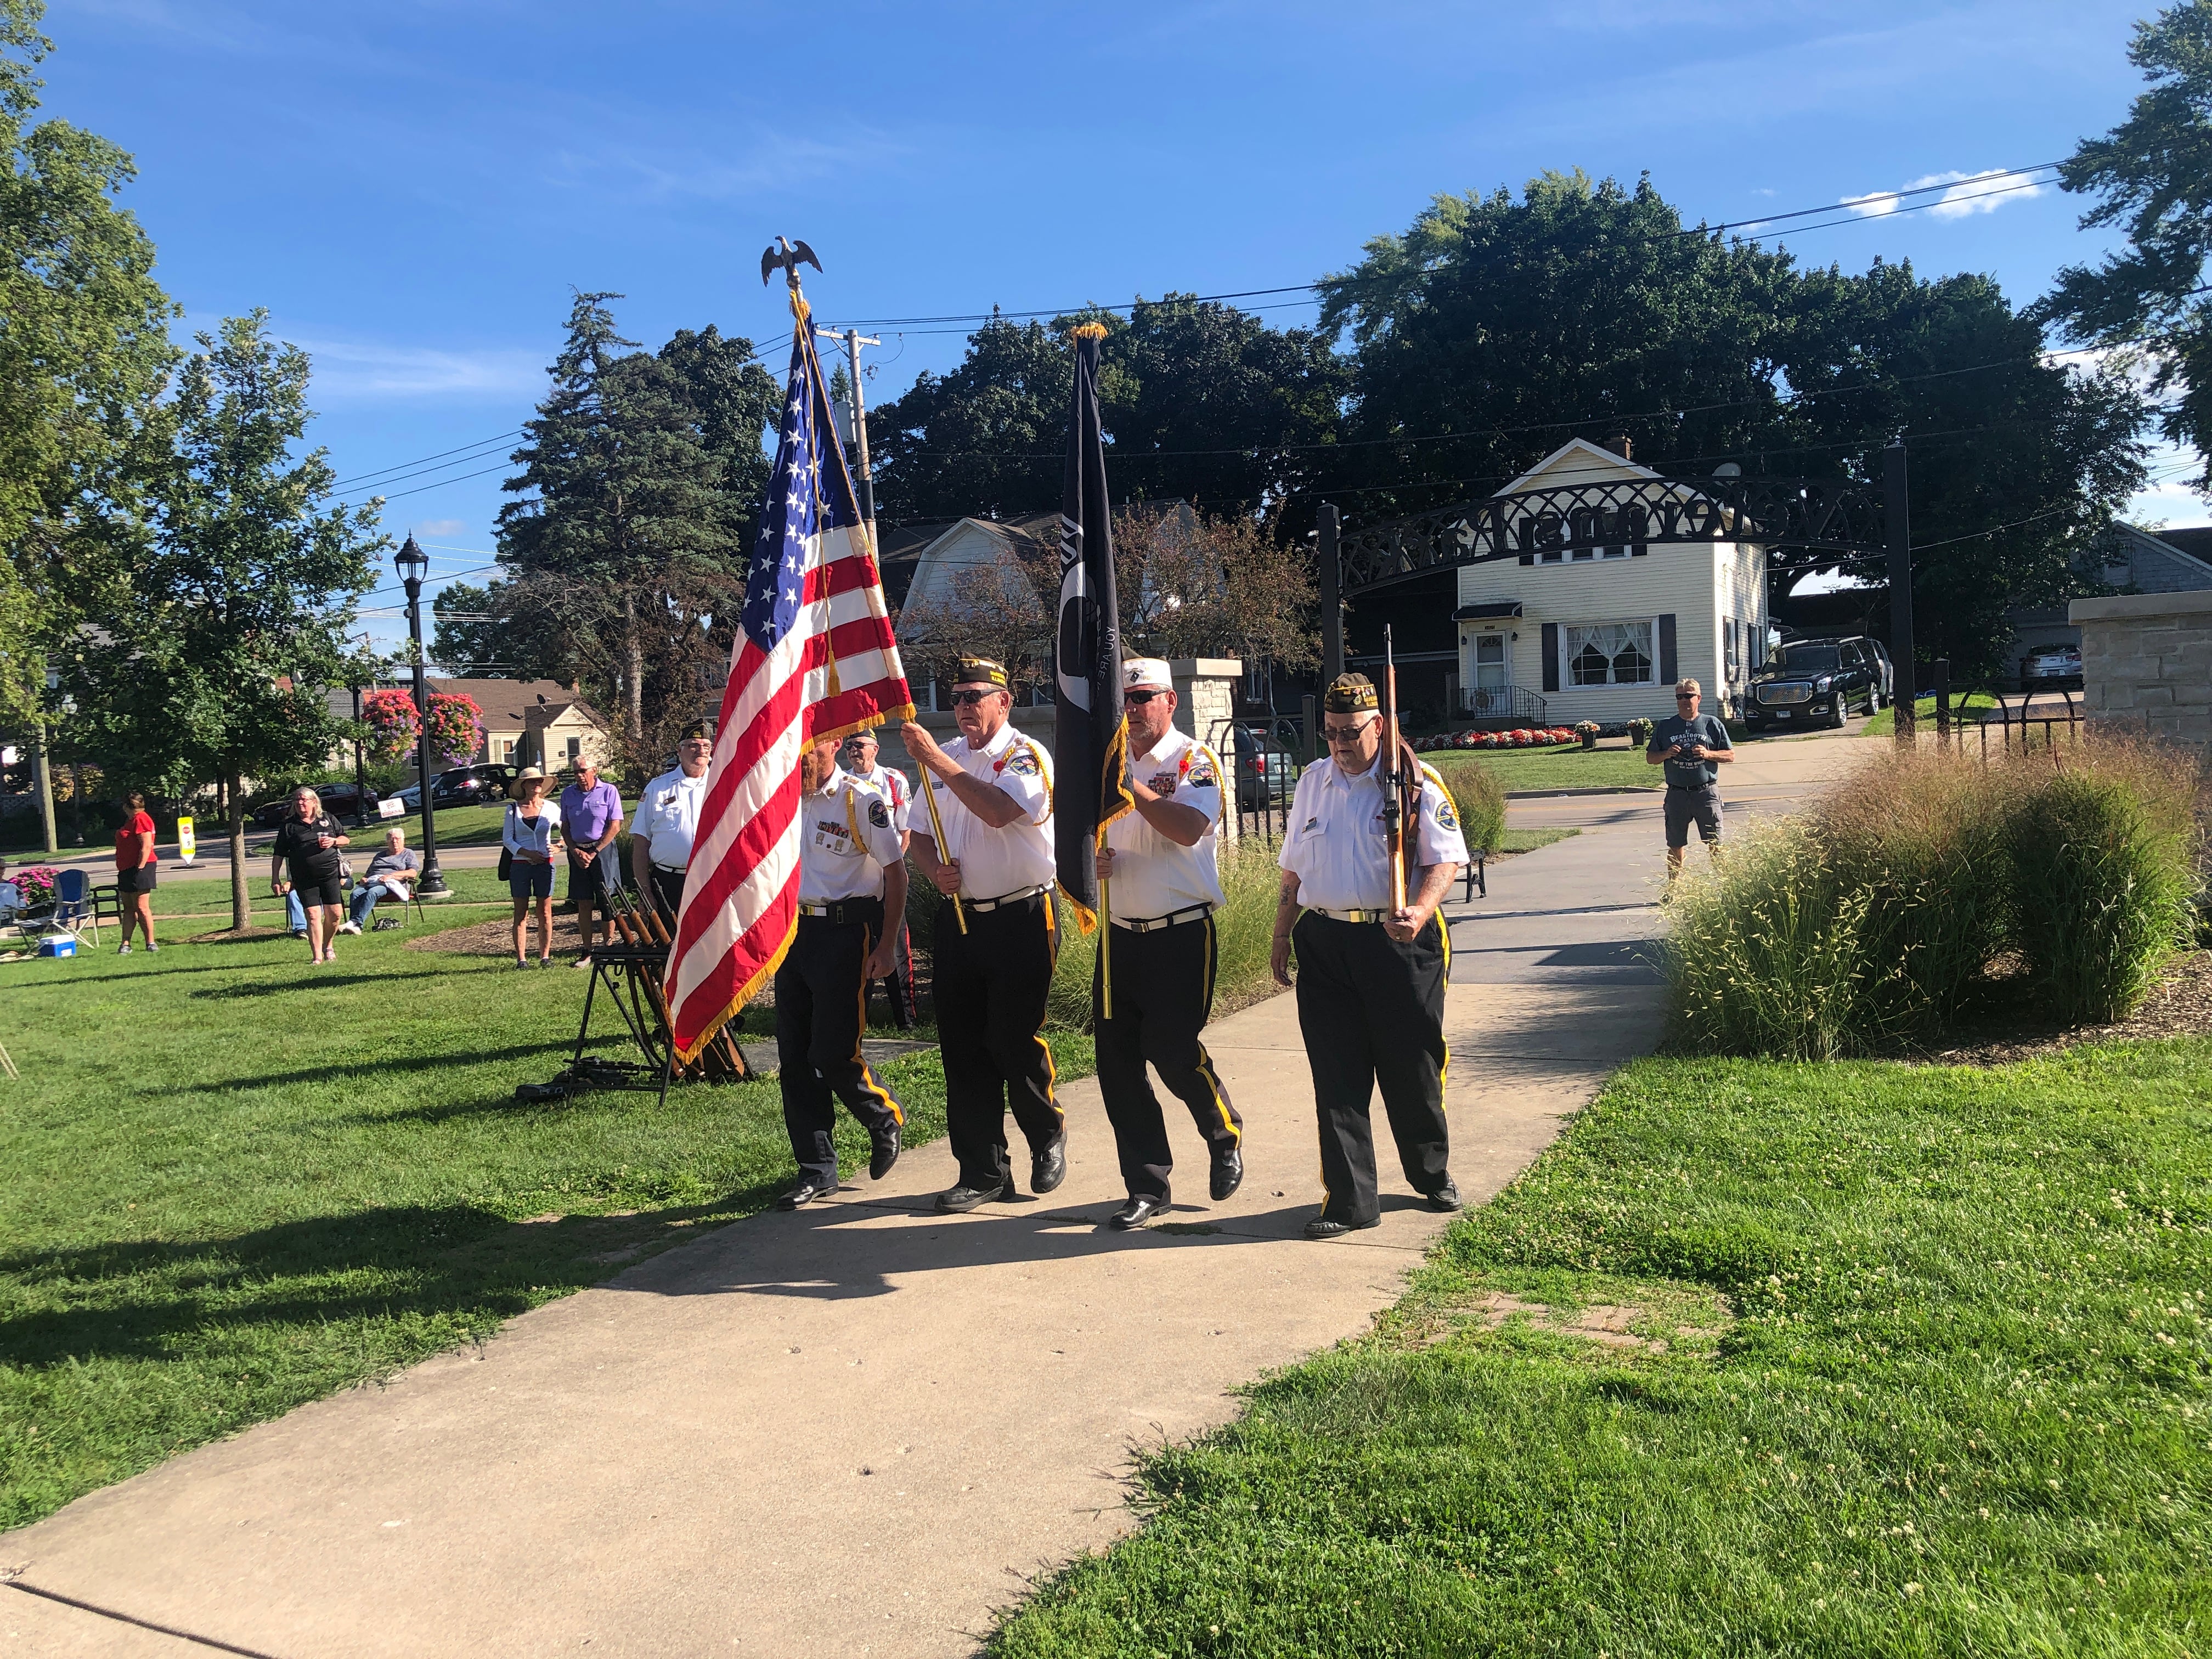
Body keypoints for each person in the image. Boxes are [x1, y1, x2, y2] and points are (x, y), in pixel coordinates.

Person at [1271, 673, 1468, 1241]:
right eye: (1330, 733)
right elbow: (1293, 868)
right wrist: (1283, 935)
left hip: (1398, 942)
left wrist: (1423, 910)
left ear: (1378, 726)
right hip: (1327, 941)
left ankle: (1430, 1173)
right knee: (1337, 1076)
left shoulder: (1414, 782)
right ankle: (1351, 1201)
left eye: (1351, 733)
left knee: (1412, 1068)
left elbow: (1445, 859)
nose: (1339, 745)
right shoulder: (1312, 782)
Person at [902, 656, 1065, 1213]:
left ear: (1004, 700)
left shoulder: (1024, 755)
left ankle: (1047, 1138)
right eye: (956, 698)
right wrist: (932, 869)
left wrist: (938, 761)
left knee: (1013, 1039)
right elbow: (918, 833)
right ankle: (982, 1171)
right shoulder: (945, 762)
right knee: (964, 1050)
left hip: (1023, 915)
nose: (964, 707)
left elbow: (998, 812)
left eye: (975, 695)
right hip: (963, 919)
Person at [1091, 659, 1243, 1231]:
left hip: (1181, 931)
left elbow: (1187, 829)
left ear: (1171, 701)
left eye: (1144, 698)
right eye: (1126, 700)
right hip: (1121, 934)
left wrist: (1127, 788)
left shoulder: (1192, 760)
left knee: (1171, 1047)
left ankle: (1222, 1128)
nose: (1133, 709)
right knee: (1118, 1064)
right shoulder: (1108, 761)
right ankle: (1147, 1187)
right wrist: (1096, 861)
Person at [774, 731, 911, 1210]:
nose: (803, 757)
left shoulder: (861, 800)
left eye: (811, 746)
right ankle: (816, 1169)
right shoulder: (783, 798)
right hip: (792, 936)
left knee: (833, 1050)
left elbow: (897, 873)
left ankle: (883, 1115)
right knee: (794, 1058)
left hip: (845, 933)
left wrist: (888, 943)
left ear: (833, 743)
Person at [840, 727, 916, 1028]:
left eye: (859, 745)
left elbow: (906, 830)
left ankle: (906, 1020)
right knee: (861, 942)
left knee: (895, 941)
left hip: (887, 875)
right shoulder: (842, 784)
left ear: (875, 749)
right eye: (849, 747)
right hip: (856, 878)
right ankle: (862, 1015)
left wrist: (893, 868)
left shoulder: (894, 781)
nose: (853, 752)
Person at [1646, 676, 1733, 878]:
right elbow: (1651, 758)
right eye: (1680, 697)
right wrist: (1666, 754)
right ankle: (1675, 888)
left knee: (1715, 842)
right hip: (1677, 795)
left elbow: (1730, 755)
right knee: (1676, 844)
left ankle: (1727, 887)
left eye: (1689, 696)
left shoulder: (1711, 724)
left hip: (1706, 792)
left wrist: (1708, 754)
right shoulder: (1666, 727)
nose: (1684, 700)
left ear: (1699, 698)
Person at [631, 723, 715, 921]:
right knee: (668, 946)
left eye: (706, 746)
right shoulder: (657, 788)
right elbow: (641, 843)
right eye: (693, 745)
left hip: (711, 881)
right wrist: (645, 891)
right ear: (679, 750)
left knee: (710, 949)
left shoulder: (722, 786)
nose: (700, 751)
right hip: (668, 882)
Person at [270, 785, 350, 964]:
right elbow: (279, 854)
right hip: (304, 878)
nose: (300, 803)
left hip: (330, 875)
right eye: (297, 800)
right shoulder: (289, 825)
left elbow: (346, 838)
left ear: (314, 803)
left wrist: (334, 841)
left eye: (303, 800)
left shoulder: (327, 819)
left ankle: (328, 945)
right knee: (313, 915)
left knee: (335, 914)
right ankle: (317, 958)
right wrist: (275, 878)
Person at [557, 757, 624, 967]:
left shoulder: (609, 791)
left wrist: (595, 851)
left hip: (602, 851)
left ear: (594, 770)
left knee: (607, 901)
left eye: (583, 771)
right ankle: (587, 951)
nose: (579, 775)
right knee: (583, 902)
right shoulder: (568, 794)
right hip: (578, 852)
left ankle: (608, 947)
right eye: (576, 772)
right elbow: (565, 827)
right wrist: (575, 850)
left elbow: (615, 826)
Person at [503, 766, 564, 967]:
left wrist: (559, 846)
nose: (537, 785)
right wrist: (528, 854)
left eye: (539, 782)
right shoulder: (513, 809)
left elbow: (568, 828)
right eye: (532, 782)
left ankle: (545, 956)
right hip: (520, 865)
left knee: (545, 911)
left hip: (546, 865)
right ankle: (522, 959)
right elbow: (508, 840)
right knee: (521, 912)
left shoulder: (551, 808)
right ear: (524, 786)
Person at [346, 827, 420, 932]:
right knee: (356, 893)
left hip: (393, 885)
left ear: (403, 840)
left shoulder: (408, 854)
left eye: (397, 839)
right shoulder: (379, 856)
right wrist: (364, 879)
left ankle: (357, 925)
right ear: (387, 842)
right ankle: (351, 924)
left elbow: (413, 873)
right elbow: (369, 873)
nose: (394, 841)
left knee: (373, 892)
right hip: (373, 882)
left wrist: (392, 876)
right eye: (391, 839)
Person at [114, 788, 159, 955]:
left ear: (127, 806)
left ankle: (151, 942)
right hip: (126, 869)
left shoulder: (141, 819)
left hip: (140, 868)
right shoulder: (131, 821)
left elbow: (146, 845)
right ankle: (126, 943)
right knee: (128, 908)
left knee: (141, 907)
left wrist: (139, 868)